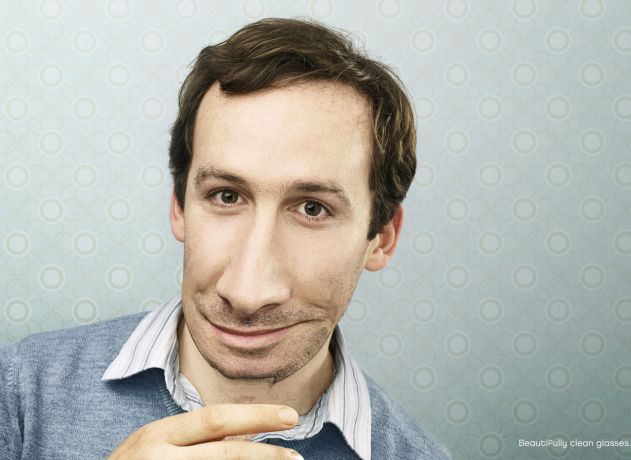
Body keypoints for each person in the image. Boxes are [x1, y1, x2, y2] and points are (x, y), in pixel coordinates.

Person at [0, 18, 450, 460]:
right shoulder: (18, 396)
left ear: (381, 237)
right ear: (179, 206)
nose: (247, 293)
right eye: (227, 196)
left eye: (313, 208)